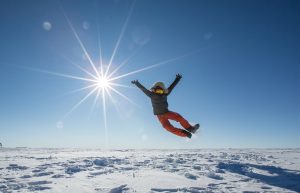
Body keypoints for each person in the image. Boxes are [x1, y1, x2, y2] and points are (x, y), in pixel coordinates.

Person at [132, 74, 199, 138]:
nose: (159, 93)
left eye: (161, 91)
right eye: (157, 91)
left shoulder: (165, 94)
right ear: (154, 90)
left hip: (166, 113)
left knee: (178, 117)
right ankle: (185, 134)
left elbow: (171, 87)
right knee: (167, 127)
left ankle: (191, 129)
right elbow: (144, 90)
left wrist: (177, 79)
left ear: (163, 91)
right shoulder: (151, 95)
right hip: (159, 116)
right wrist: (137, 83)